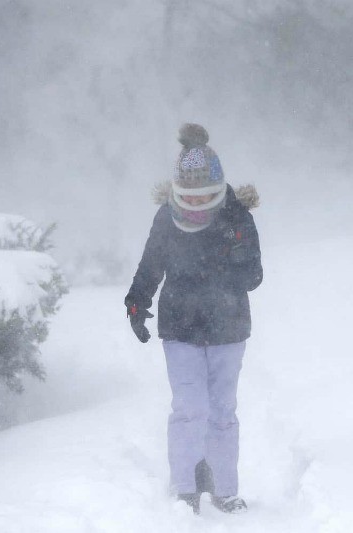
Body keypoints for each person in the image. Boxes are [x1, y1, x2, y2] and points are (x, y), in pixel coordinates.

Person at [125, 123, 263, 515]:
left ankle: (223, 488)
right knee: (189, 407)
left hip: (229, 328)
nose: (197, 205)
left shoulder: (238, 217)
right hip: (180, 327)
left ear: (218, 190)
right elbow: (151, 264)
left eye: (205, 197)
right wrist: (136, 301)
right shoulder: (166, 218)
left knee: (222, 410)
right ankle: (185, 488)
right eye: (191, 197)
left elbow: (254, 277)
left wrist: (230, 260)